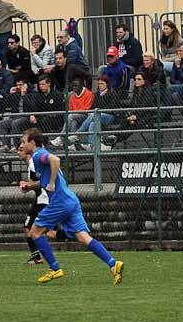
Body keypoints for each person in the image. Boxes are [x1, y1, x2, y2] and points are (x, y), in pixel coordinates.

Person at [17, 128, 124, 285]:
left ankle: (54, 269)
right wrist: (30, 186)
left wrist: (52, 183)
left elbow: (55, 160)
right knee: (83, 237)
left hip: (59, 202)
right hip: (70, 200)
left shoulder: (39, 154)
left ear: (32, 143)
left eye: (24, 141)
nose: (22, 144)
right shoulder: (38, 157)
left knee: (35, 233)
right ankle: (113, 264)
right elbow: (45, 181)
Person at [20, 140, 50, 265]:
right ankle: (37, 256)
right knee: (30, 228)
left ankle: (38, 257)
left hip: (43, 199)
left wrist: (27, 186)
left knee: (34, 229)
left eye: (21, 149)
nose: (18, 152)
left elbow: (40, 183)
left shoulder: (33, 163)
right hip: (41, 199)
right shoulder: (32, 164)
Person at [77, 76, 123, 150]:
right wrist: (92, 111)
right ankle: (91, 145)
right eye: (99, 84)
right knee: (93, 124)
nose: (100, 85)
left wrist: (98, 111)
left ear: (107, 84)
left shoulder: (112, 93)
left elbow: (112, 108)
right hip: (97, 116)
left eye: (102, 84)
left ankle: (76, 135)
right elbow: (93, 106)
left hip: (110, 117)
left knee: (94, 115)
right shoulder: (97, 94)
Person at [51, 77, 94, 147]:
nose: (74, 88)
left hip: (86, 116)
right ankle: (73, 144)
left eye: (76, 86)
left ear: (82, 85)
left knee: (71, 116)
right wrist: (75, 112)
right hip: (75, 116)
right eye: (73, 86)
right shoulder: (72, 96)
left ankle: (61, 137)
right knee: (73, 122)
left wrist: (75, 112)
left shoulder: (89, 94)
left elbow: (87, 108)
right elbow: (70, 109)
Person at [0, 77, 33, 151]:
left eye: (20, 85)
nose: (18, 87)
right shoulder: (15, 94)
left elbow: (32, 107)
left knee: (15, 123)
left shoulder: (32, 94)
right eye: (17, 85)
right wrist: (9, 94)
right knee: (1, 124)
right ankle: (6, 145)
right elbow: (4, 105)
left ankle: (18, 147)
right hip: (16, 117)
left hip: (27, 117)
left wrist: (24, 95)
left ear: (25, 85)